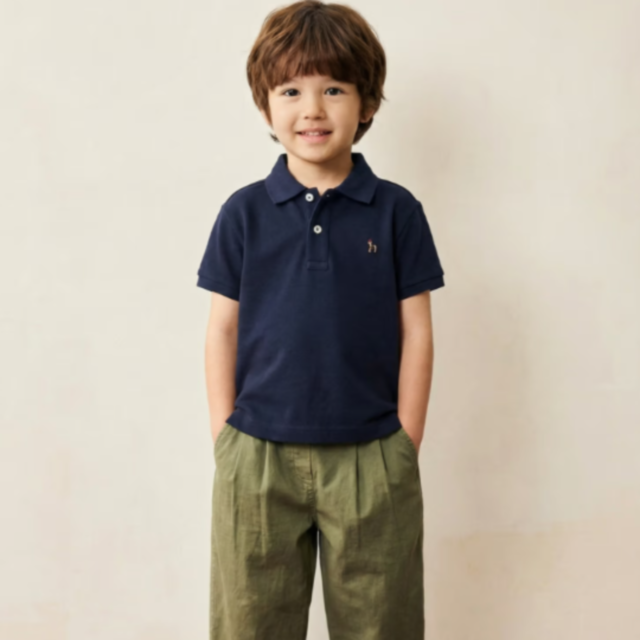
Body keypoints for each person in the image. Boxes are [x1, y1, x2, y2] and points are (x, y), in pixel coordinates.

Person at [196, 1, 445, 638]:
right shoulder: (243, 214)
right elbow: (222, 329)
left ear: (366, 104)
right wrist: (226, 438)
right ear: (265, 106)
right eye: (291, 90)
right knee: (250, 625)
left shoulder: (396, 212)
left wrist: (404, 442)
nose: (312, 108)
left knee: (380, 625)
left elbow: (417, 330)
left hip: (371, 456)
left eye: (333, 88)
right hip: (257, 456)